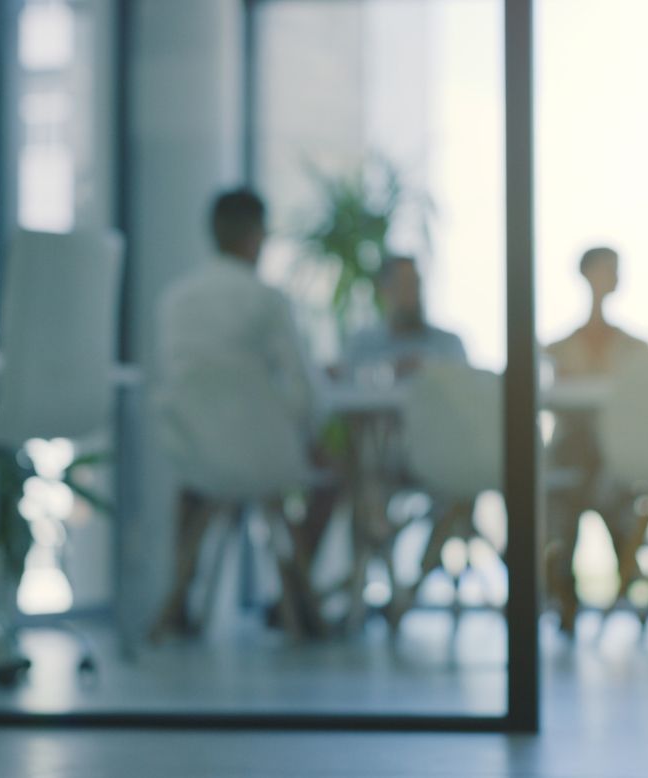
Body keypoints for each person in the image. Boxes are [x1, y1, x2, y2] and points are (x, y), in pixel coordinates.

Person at [153, 188, 322, 636]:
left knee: (195, 487)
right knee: (326, 477)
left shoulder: (175, 300)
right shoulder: (266, 300)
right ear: (255, 237)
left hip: (197, 456)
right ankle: (300, 603)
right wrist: (305, 431)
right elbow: (305, 391)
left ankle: (179, 604)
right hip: (264, 458)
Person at [543, 246, 648, 634]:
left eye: (615, 271)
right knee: (578, 457)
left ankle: (564, 585)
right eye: (605, 271)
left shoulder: (637, 350)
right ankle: (624, 560)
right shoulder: (555, 350)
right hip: (578, 454)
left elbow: (644, 407)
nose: (611, 279)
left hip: (614, 455)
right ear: (586, 275)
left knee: (579, 474)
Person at [342, 255, 467, 380]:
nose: (412, 294)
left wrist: (431, 371)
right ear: (383, 290)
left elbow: (466, 392)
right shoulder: (362, 346)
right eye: (404, 285)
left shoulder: (449, 344)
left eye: (415, 284)